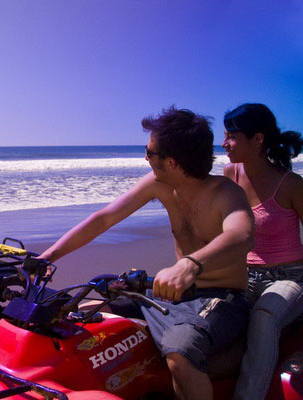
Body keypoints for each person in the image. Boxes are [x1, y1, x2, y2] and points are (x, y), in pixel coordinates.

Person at [38, 107, 254, 400]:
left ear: (172, 162)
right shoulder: (159, 184)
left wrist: (191, 264)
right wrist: (47, 257)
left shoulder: (225, 192)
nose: (145, 158)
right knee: (88, 309)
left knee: (181, 350)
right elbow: (105, 218)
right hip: (175, 293)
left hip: (223, 298)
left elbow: (240, 234)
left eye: (150, 152)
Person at [221, 103, 303, 400]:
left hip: (289, 278)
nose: (224, 142)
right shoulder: (230, 173)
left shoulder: (291, 184)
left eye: (231, 135)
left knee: (265, 316)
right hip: (242, 275)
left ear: (257, 139)